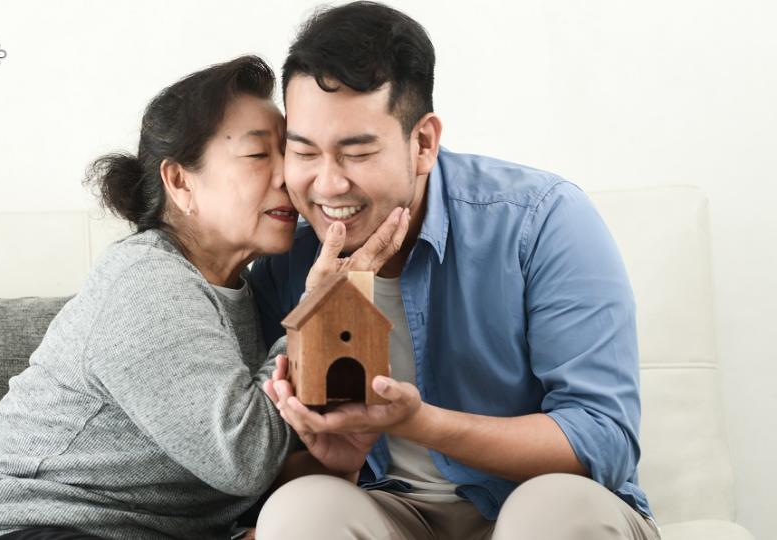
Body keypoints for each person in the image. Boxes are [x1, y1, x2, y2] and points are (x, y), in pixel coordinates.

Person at [252, 2, 662, 539]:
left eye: (356, 152)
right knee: (300, 509)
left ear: (423, 143)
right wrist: (341, 462)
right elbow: (267, 470)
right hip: (392, 514)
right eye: (304, 152)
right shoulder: (287, 263)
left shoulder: (541, 221)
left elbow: (602, 437)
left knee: (552, 508)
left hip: (535, 507)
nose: (327, 186)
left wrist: (418, 423)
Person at [0, 55, 298, 540]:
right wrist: (320, 311)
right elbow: (246, 456)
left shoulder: (246, 293)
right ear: (179, 181)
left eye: (291, 153)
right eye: (260, 155)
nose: (288, 175)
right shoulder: (146, 280)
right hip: (14, 529)